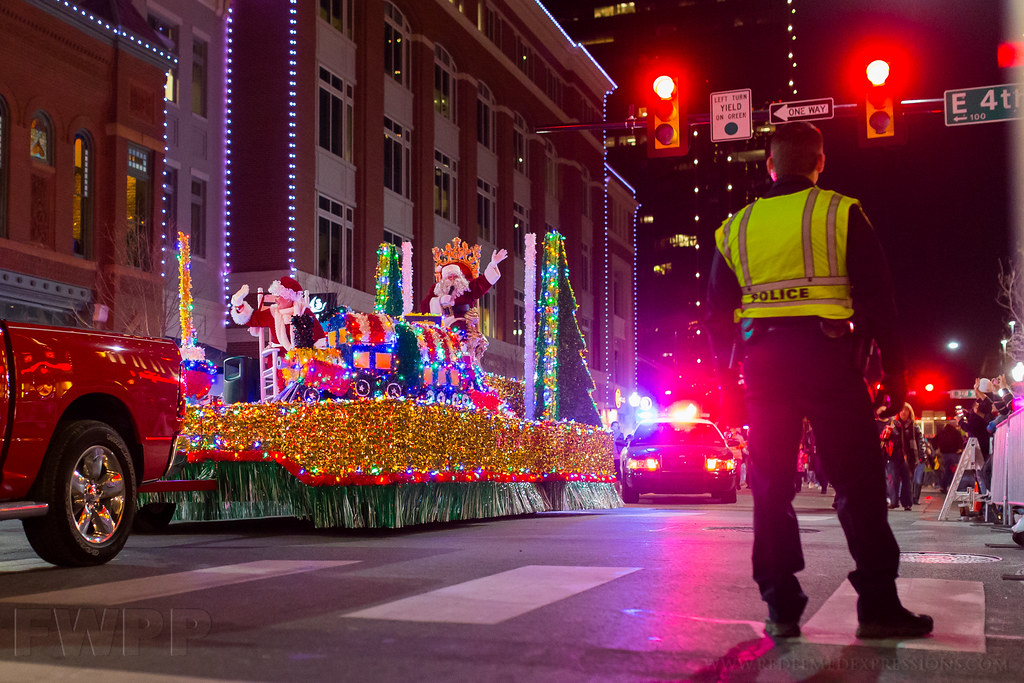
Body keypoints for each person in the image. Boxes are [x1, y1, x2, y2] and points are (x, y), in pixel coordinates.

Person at [706, 122, 932, 640]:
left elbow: (718, 315)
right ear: (819, 161)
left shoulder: (736, 227)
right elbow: (880, 303)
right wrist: (894, 373)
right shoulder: (841, 212)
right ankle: (877, 604)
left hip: (765, 367)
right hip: (830, 359)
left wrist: (735, 366)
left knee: (770, 484)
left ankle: (781, 606)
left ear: (770, 165)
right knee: (858, 481)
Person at [420, 248, 507, 331]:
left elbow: (483, 282)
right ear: (444, 279)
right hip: (441, 326)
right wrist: (440, 301)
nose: (453, 279)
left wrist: (493, 264)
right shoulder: (437, 289)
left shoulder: (467, 286)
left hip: (463, 324)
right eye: (450, 277)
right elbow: (424, 308)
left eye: (455, 276)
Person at [882, 403, 924, 510]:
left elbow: (920, 442)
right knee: (893, 480)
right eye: (901, 410)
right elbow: (883, 439)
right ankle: (894, 502)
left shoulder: (914, 427)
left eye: (906, 410)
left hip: (909, 458)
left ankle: (907, 504)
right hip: (893, 457)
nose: (903, 412)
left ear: (910, 412)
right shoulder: (892, 425)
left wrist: (922, 455)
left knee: (907, 481)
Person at [935, 420, 965, 494]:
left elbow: (934, 440)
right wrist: (960, 449)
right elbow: (961, 441)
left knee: (946, 470)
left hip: (944, 454)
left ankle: (944, 486)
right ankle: (951, 486)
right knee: (952, 470)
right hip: (954, 454)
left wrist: (937, 449)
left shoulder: (942, 432)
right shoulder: (956, 432)